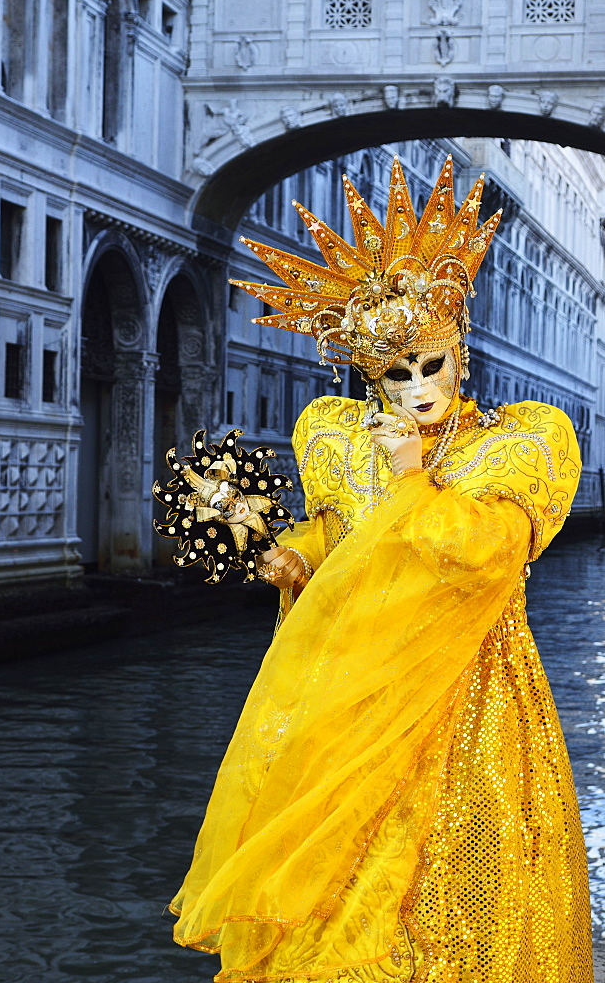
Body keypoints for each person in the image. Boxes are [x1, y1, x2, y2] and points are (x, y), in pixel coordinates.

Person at [169, 156, 593, 982]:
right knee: (345, 858)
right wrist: (296, 553)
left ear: (457, 351)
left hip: (468, 687)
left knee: (453, 865)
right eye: (394, 374)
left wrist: (412, 478)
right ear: (370, 378)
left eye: (429, 363)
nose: (417, 386)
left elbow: (489, 550)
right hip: (353, 684)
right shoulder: (335, 438)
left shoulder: (518, 443)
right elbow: (343, 529)